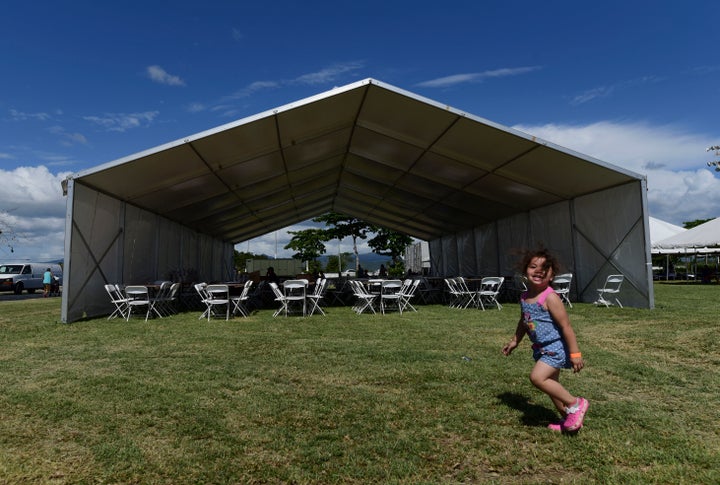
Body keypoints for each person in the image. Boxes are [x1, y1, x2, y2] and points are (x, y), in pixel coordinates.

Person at [501, 248, 588, 432]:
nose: (538, 271)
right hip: (541, 349)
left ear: (551, 275)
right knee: (553, 389)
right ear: (526, 270)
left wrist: (575, 353)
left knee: (537, 378)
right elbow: (524, 321)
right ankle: (569, 421)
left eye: (544, 268)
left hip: (555, 347)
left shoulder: (550, 297)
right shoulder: (525, 297)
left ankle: (576, 403)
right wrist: (515, 341)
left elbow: (566, 327)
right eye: (533, 266)